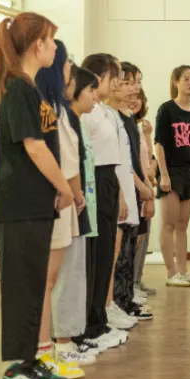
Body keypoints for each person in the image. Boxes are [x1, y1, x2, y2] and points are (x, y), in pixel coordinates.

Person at [0, 13, 73, 379]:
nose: (55, 48)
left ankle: (30, 360)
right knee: (22, 286)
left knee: (34, 283)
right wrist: (64, 186)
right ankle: (16, 370)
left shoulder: (30, 87)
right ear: (37, 44)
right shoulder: (17, 87)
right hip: (20, 205)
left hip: (36, 204)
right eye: (51, 41)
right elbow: (34, 147)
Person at [33, 43, 87, 379]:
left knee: (51, 280)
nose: (69, 68)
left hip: (64, 199)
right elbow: (60, 159)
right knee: (45, 281)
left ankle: (46, 350)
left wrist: (75, 191)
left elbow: (71, 157)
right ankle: (41, 352)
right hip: (54, 199)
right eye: (66, 62)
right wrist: (72, 191)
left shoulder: (59, 108)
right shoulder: (45, 106)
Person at [77, 54, 129, 353]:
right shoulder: (87, 113)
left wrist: (118, 192)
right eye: (114, 76)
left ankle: (99, 320)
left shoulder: (105, 112)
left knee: (106, 252)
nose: (118, 82)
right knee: (94, 255)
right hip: (93, 180)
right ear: (98, 78)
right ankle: (88, 325)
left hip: (107, 179)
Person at [53, 66, 100, 369]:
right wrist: (76, 192)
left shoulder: (74, 121)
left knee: (74, 274)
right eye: (91, 90)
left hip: (78, 203)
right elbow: (68, 164)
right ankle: (62, 342)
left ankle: (68, 337)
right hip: (68, 204)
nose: (94, 97)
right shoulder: (64, 117)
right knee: (65, 275)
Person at [155, 65, 190, 287]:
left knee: (183, 225)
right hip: (172, 171)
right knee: (169, 224)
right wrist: (164, 175)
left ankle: (183, 271)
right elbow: (159, 144)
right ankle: (171, 273)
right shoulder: (167, 109)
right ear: (176, 82)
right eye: (186, 79)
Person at [110, 63, 154, 324]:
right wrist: (140, 186)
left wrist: (144, 185)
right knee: (118, 251)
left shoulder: (128, 119)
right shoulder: (110, 116)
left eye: (137, 82)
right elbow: (118, 162)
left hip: (133, 189)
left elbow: (134, 161)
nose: (135, 88)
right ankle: (116, 302)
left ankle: (125, 298)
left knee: (129, 247)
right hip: (121, 191)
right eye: (128, 82)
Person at [131, 87, 157, 300]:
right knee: (134, 239)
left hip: (145, 185)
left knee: (143, 237)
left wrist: (148, 135)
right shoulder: (125, 126)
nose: (135, 100)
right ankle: (129, 285)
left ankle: (137, 280)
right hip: (135, 186)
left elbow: (149, 157)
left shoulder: (140, 127)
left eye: (138, 97)